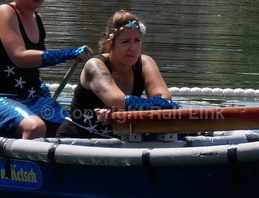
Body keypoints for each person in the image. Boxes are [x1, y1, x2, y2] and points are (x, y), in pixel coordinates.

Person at [0, 0, 92, 139]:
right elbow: (20, 57)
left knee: (74, 128)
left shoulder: (37, 18)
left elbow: (33, 65)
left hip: (32, 97)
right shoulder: (6, 12)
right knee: (35, 127)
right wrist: (68, 53)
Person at [57, 11, 179, 139]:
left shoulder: (145, 63)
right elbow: (118, 101)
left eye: (137, 40)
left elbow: (166, 99)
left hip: (120, 138)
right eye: (126, 41)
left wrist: (121, 109)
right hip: (78, 138)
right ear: (110, 43)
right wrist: (125, 106)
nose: (133, 48)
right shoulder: (94, 66)